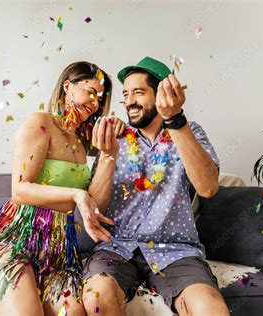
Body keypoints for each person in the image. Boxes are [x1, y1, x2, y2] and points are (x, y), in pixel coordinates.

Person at [0, 61, 123, 316]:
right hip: (13, 239)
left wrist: (109, 154)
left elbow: (95, 204)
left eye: (100, 98)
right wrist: (76, 193)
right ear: (68, 86)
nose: (95, 103)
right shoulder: (41, 122)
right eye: (90, 91)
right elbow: (20, 190)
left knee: (74, 313)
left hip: (56, 250)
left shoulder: (81, 143)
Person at [81, 57, 230, 316]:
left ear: (162, 93)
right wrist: (107, 155)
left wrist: (175, 120)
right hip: (116, 247)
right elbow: (94, 209)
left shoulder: (189, 132)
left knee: (209, 308)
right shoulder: (115, 137)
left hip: (174, 250)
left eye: (138, 92)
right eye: (126, 94)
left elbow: (208, 189)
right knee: (97, 296)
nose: (129, 102)